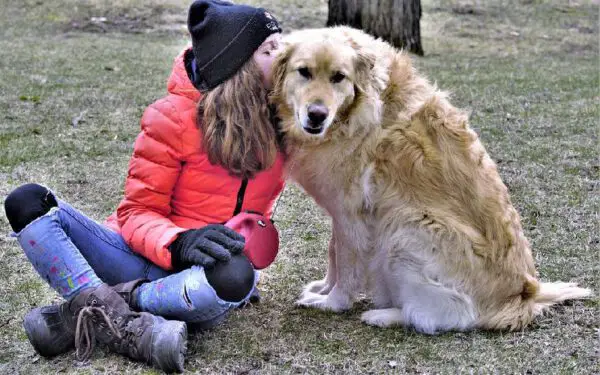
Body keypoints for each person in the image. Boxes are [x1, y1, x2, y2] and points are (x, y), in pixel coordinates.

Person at [3, 1, 284, 373]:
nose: (285, 55)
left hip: (203, 280)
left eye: (283, 44)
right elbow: (136, 213)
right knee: (27, 201)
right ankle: (124, 323)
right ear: (238, 65)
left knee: (236, 277)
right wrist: (181, 242)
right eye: (269, 49)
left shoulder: (288, 120)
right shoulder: (170, 118)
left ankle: (91, 312)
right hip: (139, 255)